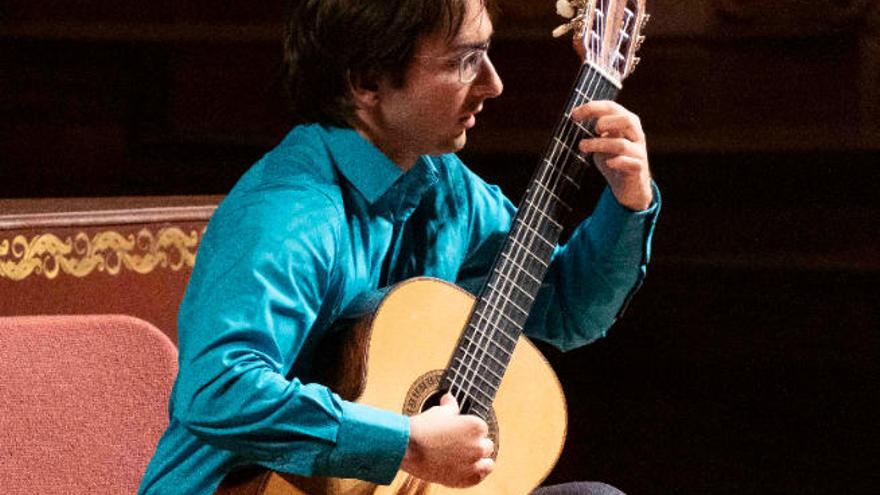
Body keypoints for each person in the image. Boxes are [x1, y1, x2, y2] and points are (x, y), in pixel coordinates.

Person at [139, 0, 660, 493]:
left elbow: (566, 309)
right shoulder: (290, 216)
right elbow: (217, 390)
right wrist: (405, 443)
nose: (493, 84)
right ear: (367, 81)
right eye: (465, 61)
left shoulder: (445, 185)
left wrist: (627, 201)